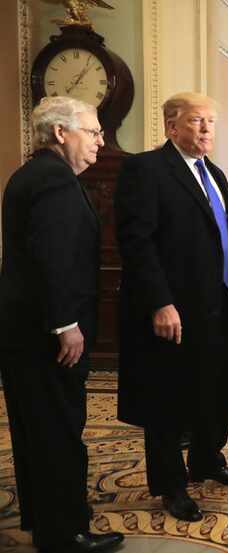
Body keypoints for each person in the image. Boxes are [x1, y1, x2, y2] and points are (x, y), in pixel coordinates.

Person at [116, 92, 228, 523]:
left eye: (211, 122)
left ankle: (206, 459)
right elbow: (136, 241)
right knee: (169, 399)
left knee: (218, 388)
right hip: (177, 309)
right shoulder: (146, 170)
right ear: (172, 126)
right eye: (197, 121)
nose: (206, 129)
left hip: (223, 304)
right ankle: (171, 486)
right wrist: (160, 301)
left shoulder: (214, 173)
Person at [0, 97, 123, 552]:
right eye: (92, 132)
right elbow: (53, 260)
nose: (99, 141)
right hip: (47, 335)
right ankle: (66, 534)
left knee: (38, 429)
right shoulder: (53, 180)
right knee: (58, 431)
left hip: (25, 331)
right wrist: (65, 324)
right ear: (60, 133)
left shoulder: (33, 174)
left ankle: (46, 521)